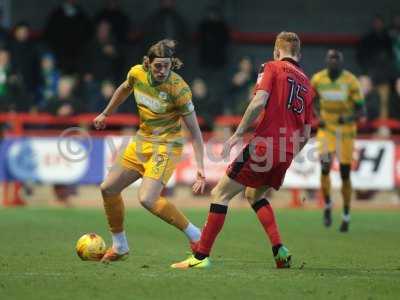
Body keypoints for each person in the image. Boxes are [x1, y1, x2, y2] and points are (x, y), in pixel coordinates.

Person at [171, 32, 314, 269]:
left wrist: (237, 134)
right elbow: (307, 134)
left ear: (277, 51)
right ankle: (280, 250)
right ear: (298, 54)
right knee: (253, 194)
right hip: (287, 151)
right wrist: (288, 154)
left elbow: (258, 102)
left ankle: (200, 257)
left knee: (220, 194)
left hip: (265, 144)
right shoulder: (307, 84)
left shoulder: (271, 67)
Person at [93, 39, 206, 262]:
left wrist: (201, 167)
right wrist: (106, 113)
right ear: (147, 63)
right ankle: (120, 246)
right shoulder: (137, 73)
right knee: (108, 188)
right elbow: (124, 89)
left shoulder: (179, 89)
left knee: (147, 198)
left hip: (167, 145)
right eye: (158, 66)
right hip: (142, 141)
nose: (162, 70)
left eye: (166, 65)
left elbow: (195, 131)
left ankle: (196, 235)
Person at [312, 50, 366, 232]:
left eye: (337, 59)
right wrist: (318, 116)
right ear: (326, 61)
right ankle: (327, 203)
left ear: (341, 62)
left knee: (344, 174)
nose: (334, 61)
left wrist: (349, 118)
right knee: (325, 167)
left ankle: (346, 213)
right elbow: (311, 102)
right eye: (331, 58)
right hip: (327, 130)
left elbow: (361, 110)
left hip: (346, 132)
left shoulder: (350, 81)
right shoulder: (318, 79)